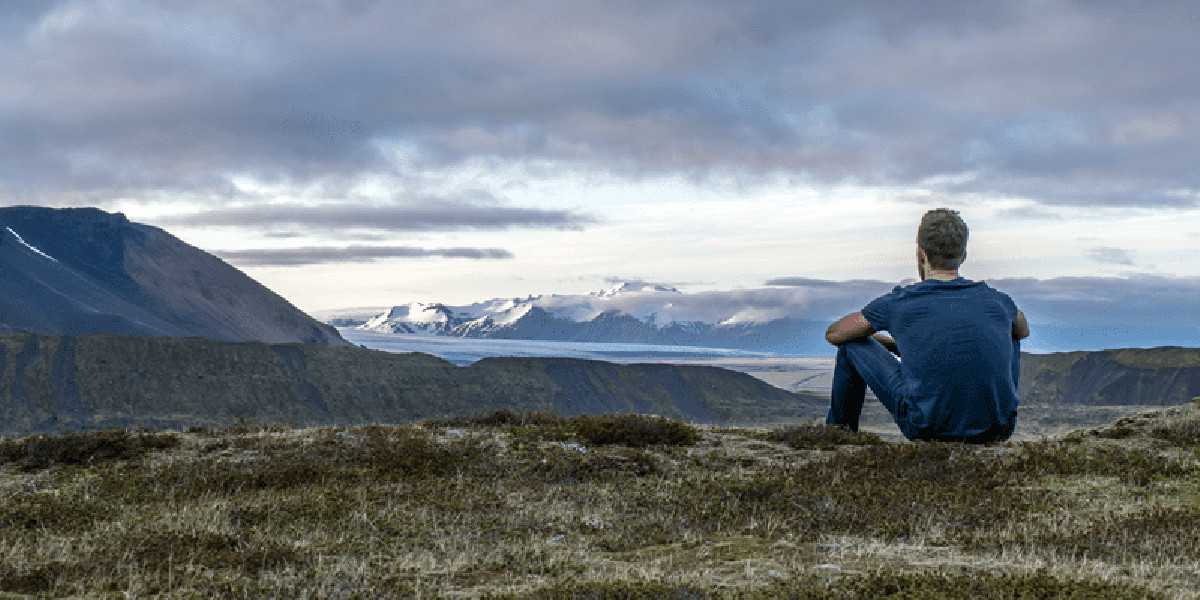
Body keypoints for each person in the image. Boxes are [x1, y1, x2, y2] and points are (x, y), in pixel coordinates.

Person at [823, 208, 1030, 442]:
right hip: (999, 428)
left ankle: (838, 435)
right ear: (963, 255)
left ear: (921, 253)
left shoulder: (899, 302)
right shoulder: (999, 301)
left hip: (926, 427)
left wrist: (880, 339)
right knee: (1012, 333)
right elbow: (1023, 330)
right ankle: (992, 412)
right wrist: (903, 346)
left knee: (851, 345)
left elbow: (835, 333)